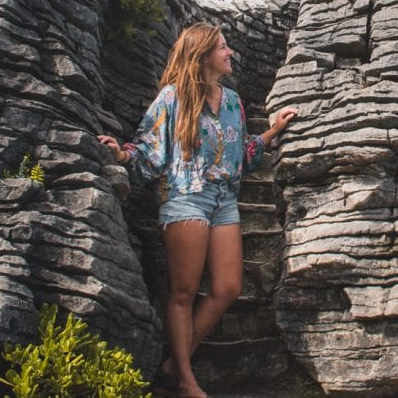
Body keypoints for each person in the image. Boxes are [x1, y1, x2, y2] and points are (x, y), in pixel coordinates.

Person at [98, 22, 298, 398]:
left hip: (224, 200)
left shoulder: (234, 101)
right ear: (204, 55)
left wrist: (272, 133)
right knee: (183, 293)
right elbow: (148, 150)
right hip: (185, 197)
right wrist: (121, 154)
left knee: (228, 287)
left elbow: (241, 155)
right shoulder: (172, 98)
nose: (230, 53)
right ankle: (187, 381)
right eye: (223, 47)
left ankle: (175, 364)